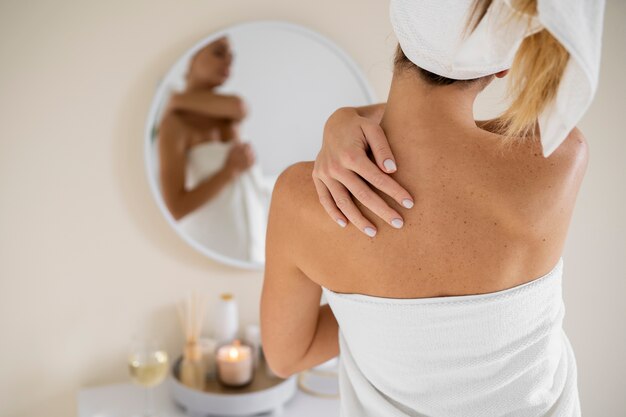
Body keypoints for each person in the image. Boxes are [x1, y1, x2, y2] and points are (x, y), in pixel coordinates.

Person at [261, 0, 604, 415]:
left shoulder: (300, 199)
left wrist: (343, 117)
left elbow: (286, 358)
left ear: (401, 28)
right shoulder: (559, 156)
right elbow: (467, 137)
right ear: (502, 65)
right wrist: (351, 117)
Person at [159, 36, 269, 263]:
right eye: (219, 53)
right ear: (190, 57)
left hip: (253, 241)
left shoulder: (227, 113)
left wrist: (175, 98)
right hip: (213, 243)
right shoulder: (175, 123)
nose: (229, 61)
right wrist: (228, 171)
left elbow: (239, 107)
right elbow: (176, 208)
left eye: (232, 56)